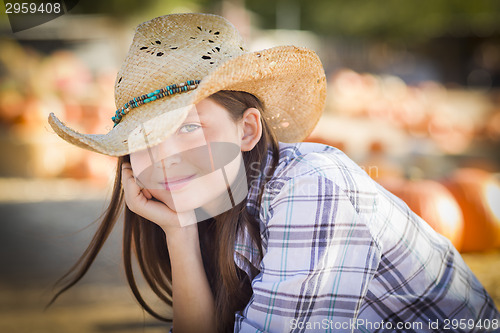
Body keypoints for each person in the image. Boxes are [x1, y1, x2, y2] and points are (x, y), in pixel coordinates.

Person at [47, 13, 500, 333]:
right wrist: (179, 233)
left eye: (188, 127)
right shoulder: (210, 207)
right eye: (143, 140)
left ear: (247, 130)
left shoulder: (311, 187)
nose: (164, 158)